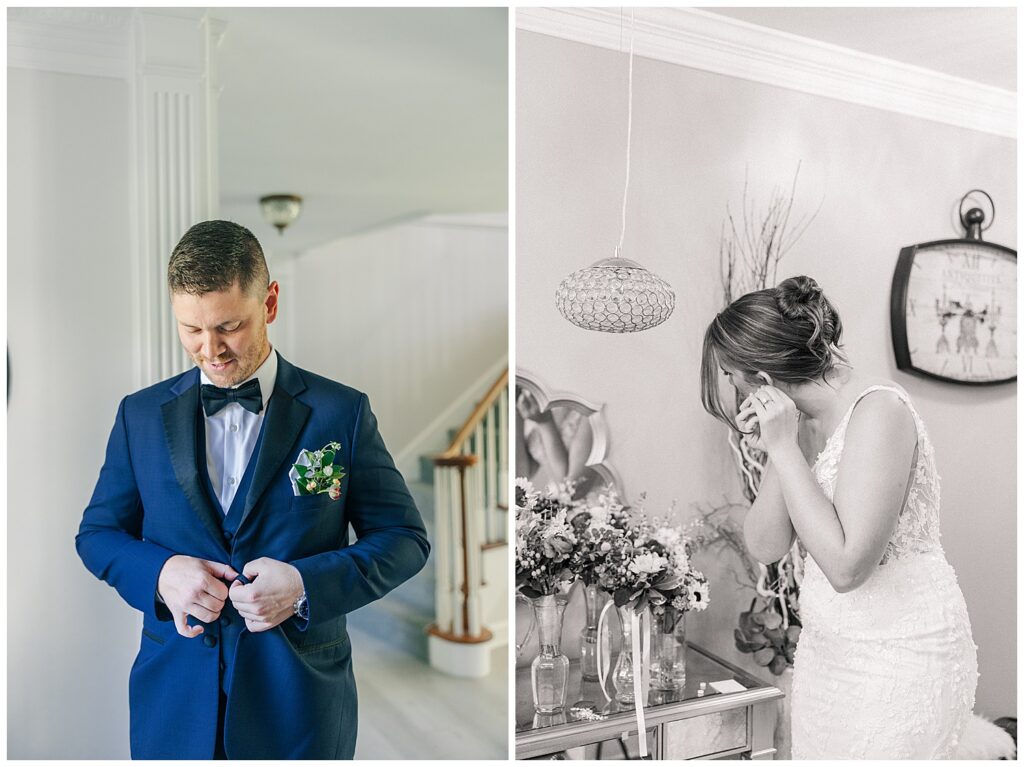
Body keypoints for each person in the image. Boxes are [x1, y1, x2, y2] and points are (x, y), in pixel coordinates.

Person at [76, 220, 429, 759]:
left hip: (300, 706)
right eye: (190, 329)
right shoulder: (139, 416)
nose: (209, 349)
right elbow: (97, 534)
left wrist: (306, 584)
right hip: (173, 702)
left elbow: (405, 538)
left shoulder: (341, 412)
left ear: (270, 303)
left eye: (228, 326)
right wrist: (162, 573)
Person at [700, 275, 977, 759]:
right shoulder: (799, 425)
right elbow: (765, 546)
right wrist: (778, 449)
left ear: (760, 375)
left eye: (729, 374)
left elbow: (848, 567)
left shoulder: (878, 410)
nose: (732, 388)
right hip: (829, 654)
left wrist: (785, 448)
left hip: (901, 653)